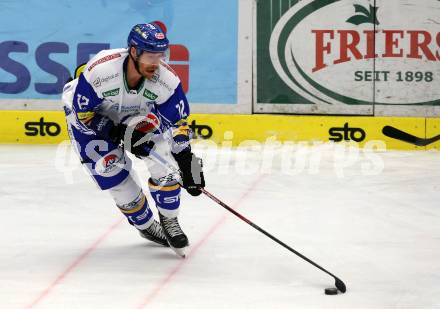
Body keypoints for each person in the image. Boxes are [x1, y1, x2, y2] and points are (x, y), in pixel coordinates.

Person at [61, 22, 205, 257]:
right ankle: (147, 227)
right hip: (89, 121)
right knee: (115, 178)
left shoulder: (166, 81)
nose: (156, 62)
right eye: (150, 55)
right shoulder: (101, 70)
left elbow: (177, 124)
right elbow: (84, 114)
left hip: (134, 113)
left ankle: (169, 220)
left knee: (165, 161)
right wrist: (118, 134)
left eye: (160, 55)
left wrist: (187, 160)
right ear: (134, 51)